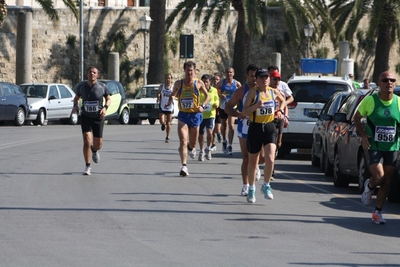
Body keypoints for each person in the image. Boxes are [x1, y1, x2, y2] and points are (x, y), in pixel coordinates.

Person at [354, 71, 400, 224]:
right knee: (379, 176)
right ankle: (370, 184)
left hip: (392, 147)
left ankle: (377, 212)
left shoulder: (399, 102)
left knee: (387, 181)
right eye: (385, 80)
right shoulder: (370, 100)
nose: (389, 83)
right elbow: (357, 117)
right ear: (379, 83)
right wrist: (362, 134)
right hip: (374, 145)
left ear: (395, 83)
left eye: (392, 80)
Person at [242, 68, 286, 203]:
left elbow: (284, 100)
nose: (265, 79)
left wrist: (279, 110)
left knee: (270, 159)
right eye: (261, 77)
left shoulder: (273, 92)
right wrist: (255, 106)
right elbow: (244, 112)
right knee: (253, 162)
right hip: (255, 127)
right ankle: (251, 188)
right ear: (256, 79)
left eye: (266, 77)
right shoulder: (252, 93)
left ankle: (266, 185)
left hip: (270, 127)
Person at [225, 64, 264, 196]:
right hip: (245, 127)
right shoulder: (241, 91)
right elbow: (228, 107)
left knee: (262, 157)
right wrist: (238, 114)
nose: (254, 79)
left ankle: (257, 165)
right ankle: (245, 185)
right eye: (252, 76)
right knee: (246, 158)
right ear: (247, 76)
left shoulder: (264, 91)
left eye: (256, 76)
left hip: (260, 126)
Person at [167, 61, 210, 176]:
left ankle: (191, 148)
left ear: (194, 72)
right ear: (184, 71)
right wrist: (171, 99)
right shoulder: (178, 83)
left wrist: (202, 106)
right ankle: (184, 166)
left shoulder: (199, 83)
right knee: (183, 141)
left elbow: (208, 96)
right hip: (183, 116)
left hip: (195, 115)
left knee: (192, 143)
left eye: (191, 70)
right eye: (187, 70)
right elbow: (173, 94)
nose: (189, 73)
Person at [73, 66, 111, 176]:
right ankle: (87, 166)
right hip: (85, 116)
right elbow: (76, 98)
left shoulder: (102, 87)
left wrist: (105, 108)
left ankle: (94, 150)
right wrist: (75, 106)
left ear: (97, 75)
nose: (92, 74)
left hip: (98, 118)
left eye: (94, 72)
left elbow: (108, 99)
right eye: (90, 72)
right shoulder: (82, 87)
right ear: (87, 74)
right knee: (86, 140)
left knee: (98, 145)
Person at [216, 67, 242, 155]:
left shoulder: (237, 83)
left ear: (233, 73)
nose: (229, 74)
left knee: (231, 125)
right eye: (227, 72)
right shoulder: (221, 83)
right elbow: (213, 90)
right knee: (224, 125)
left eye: (230, 72)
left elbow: (243, 92)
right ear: (225, 73)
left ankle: (230, 145)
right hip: (223, 107)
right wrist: (220, 95)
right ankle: (224, 140)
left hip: (233, 107)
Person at [198, 74, 219, 161]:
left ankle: (208, 148)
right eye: (204, 82)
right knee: (201, 134)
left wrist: (216, 104)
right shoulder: (199, 90)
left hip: (211, 114)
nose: (205, 84)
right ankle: (202, 150)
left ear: (210, 82)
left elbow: (217, 99)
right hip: (201, 115)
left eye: (207, 82)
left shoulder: (214, 90)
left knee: (210, 132)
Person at [157, 73, 174, 143]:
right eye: (167, 78)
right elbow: (158, 93)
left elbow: (175, 95)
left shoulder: (173, 87)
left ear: (171, 79)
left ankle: (167, 137)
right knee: (161, 120)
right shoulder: (162, 86)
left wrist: (171, 100)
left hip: (170, 107)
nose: (168, 80)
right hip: (162, 106)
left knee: (168, 122)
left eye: (169, 78)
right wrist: (158, 97)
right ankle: (162, 124)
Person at [211, 72, 222, 151]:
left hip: (219, 111)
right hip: (211, 111)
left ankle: (218, 133)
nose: (216, 81)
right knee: (211, 129)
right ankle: (213, 144)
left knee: (217, 129)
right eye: (214, 79)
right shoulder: (209, 88)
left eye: (217, 79)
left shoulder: (221, 89)